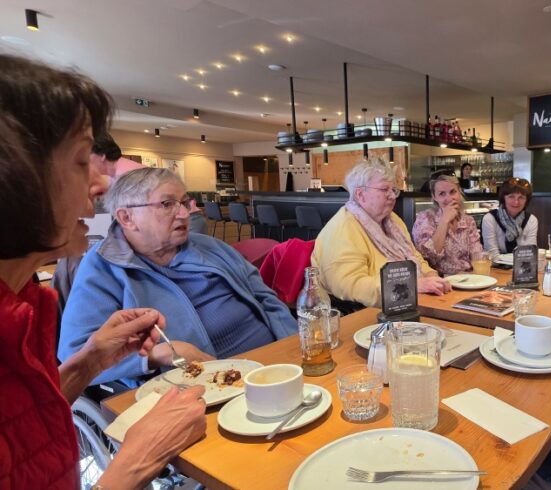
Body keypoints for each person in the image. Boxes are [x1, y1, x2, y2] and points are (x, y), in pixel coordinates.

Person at [0, 53, 205, 489]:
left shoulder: (24, 305)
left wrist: (89, 361)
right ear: (12, 177)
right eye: (80, 161)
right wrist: (135, 462)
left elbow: (21, 421)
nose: (99, 184)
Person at [59, 167, 297, 386]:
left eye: (184, 202)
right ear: (126, 218)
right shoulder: (102, 269)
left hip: (273, 366)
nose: (184, 213)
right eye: (167, 204)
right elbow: (75, 357)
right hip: (199, 389)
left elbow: (267, 299)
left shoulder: (210, 247)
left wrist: (294, 346)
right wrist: (157, 355)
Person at [311, 157, 451, 309]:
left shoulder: (392, 221)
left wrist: (431, 276)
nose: (392, 196)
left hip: (406, 304)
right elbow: (349, 285)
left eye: (393, 190)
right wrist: (412, 285)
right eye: (385, 189)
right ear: (360, 194)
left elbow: (415, 258)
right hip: (364, 315)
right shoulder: (343, 228)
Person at [412, 172, 485, 275]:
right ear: (434, 197)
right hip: (440, 281)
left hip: (467, 278)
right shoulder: (425, 219)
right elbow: (428, 258)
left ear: (459, 192)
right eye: (442, 194)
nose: (449, 198)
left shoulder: (468, 221)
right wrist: (444, 221)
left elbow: (477, 255)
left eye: (452, 192)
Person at [482, 177, 538, 254]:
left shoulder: (531, 220)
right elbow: (492, 255)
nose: (516, 202)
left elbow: (530, 253)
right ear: (503, 198)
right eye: (511, 196)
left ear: (526, 201)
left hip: (523, 265)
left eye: (521, 197)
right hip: (496, 266)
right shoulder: (490, 219)